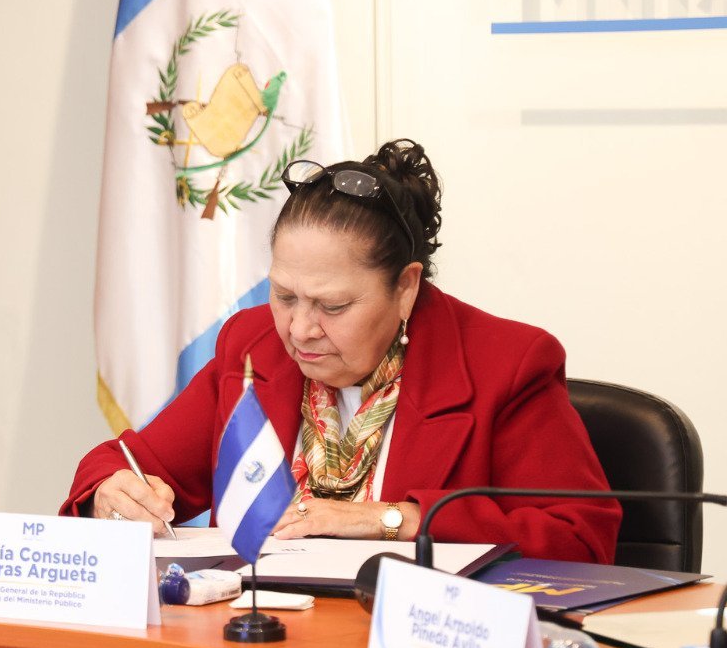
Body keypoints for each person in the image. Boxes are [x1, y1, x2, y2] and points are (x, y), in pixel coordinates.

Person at [63, 139, 619, 563]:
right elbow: (124, 464)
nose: (300, 329)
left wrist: (390, 520)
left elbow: (580, 539)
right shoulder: (253, 346)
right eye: (284, 296)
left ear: (406, 288)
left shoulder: (507, 363)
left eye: (332, 306)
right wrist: (110, 494)